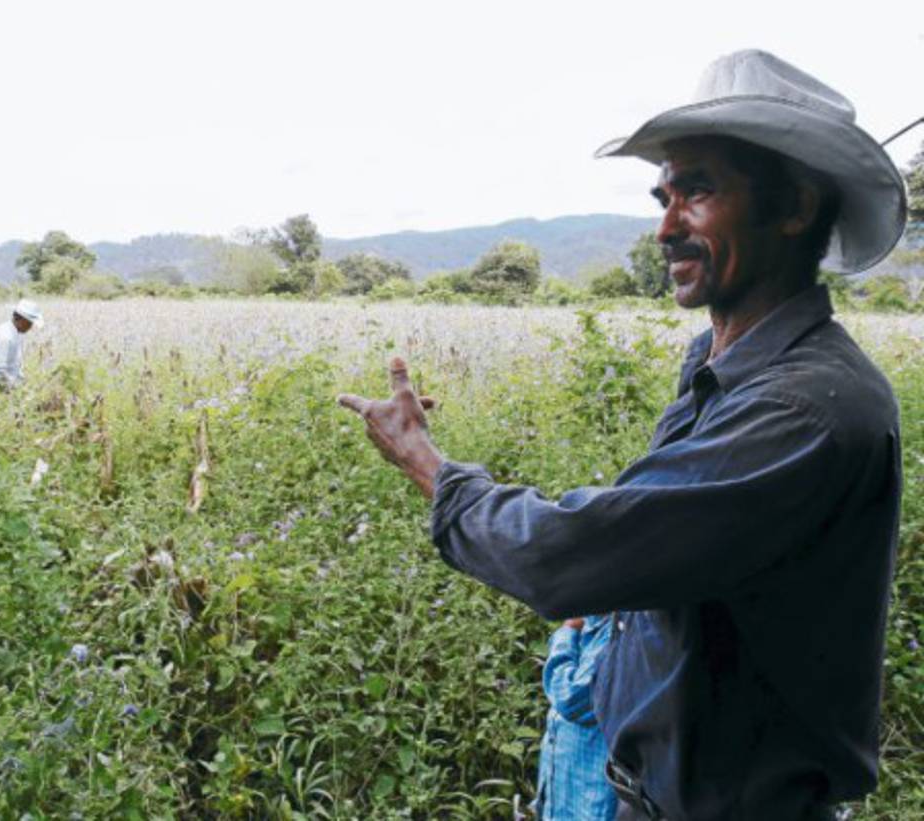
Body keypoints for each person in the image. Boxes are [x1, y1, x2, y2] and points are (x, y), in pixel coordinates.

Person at [338, 50, 905, 820]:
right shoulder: (720, 361)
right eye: (663, 196)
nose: (666, 227)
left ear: (796, 205)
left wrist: (428, 463)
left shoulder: (807, 409)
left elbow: (567, 555)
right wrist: (617, 603)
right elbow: (664, 539)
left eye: (698, 191)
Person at [535, 614, 617, 820]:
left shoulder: (618, 632)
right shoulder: (592, 623)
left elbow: (571, 698)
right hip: (563, 795)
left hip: (591, 800)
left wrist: (568, 630)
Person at [0, 299, 43, 390]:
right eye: (29, 323)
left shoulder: (15, 332)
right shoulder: (7, 337)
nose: (30, 327)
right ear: (22, 319)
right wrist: (14, 388)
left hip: (1, 383)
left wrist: (22, 382)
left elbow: (13, 365)